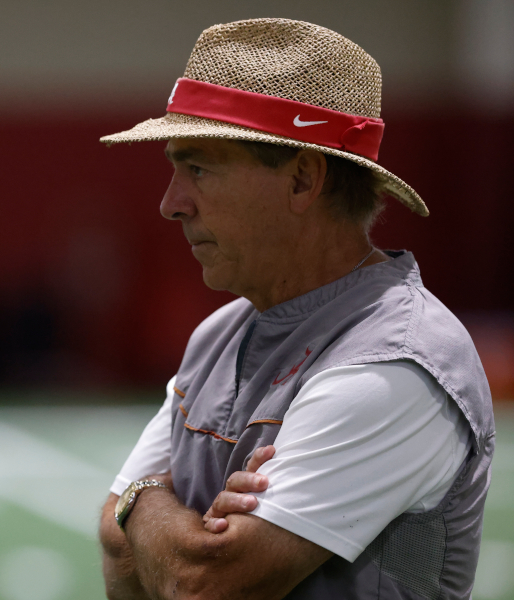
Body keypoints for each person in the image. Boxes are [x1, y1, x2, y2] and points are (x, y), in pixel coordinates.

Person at [98, 18, 493, 600]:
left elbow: (200, 584)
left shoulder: (396, 363)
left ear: (303, 179)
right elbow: (118, 560)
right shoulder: (219, 333)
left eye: (200, 167)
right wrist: (162, 522)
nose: (170, 203)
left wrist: (145, 499)